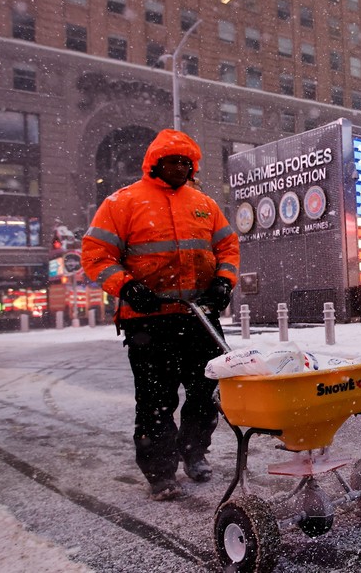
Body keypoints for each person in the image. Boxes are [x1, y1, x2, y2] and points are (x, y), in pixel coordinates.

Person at [81, 129, 240, 501]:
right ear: (155, 164)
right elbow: (96, 254)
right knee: (156, 400)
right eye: (173, 161)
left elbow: (228, 246)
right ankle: (159, 471)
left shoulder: (204, 204)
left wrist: (223, 281)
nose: (181, 168)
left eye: (187, 162)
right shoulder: (122, 202)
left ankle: (194, 452)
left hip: (198, 316)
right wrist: (127, 287)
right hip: (147, 323)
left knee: (207, 392)